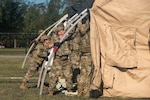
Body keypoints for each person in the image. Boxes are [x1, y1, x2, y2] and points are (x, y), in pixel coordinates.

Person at [48, 23, 73, 96]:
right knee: (54, 76)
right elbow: (48, 45)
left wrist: (69, 24)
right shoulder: (54, 38)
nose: (61, 32)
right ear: (57, 32)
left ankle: (69, 89)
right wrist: (54, 44)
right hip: (58, 60)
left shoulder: (67, 37)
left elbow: (72, 32)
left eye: (63, 30)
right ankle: (51, 91)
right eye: (60, 31)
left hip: (66, 60)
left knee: (69, 76)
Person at [77, 19, 93, 97]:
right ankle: (86, 93)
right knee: (88, 74)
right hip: (88, 56)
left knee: (82, 74)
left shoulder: (80, 35)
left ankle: (80, 92)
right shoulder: (88, 35)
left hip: (83, 56)